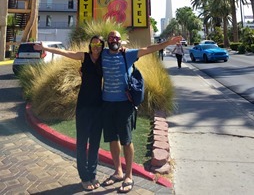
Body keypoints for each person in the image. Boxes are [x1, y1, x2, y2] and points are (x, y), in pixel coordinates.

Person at [101, 31, 182, 193]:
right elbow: (80, 56)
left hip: (125, 105)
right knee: (112, 139)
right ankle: (118, 171)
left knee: (126, 140)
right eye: (111, 38)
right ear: (107, 41)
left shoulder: (128, 55)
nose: (114, 40)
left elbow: (149, 48)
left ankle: (128, 175)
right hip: (107, 104)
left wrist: (167, 43)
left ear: (121, 41)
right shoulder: (102, 54)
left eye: (117, 38)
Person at [34, 36, 105, 192]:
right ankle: (84, 177)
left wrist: (122, 46)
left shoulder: (104, 60)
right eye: (93, 43)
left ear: (102, 46)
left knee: (95, 143)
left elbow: (119, 52)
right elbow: (64, 52)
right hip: (84, 106)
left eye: (99, 44)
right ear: (90, 45)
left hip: (98, 107)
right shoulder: (83, 57)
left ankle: (92, 174)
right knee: (82, 143)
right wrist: (45, 49)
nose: (96, 47)